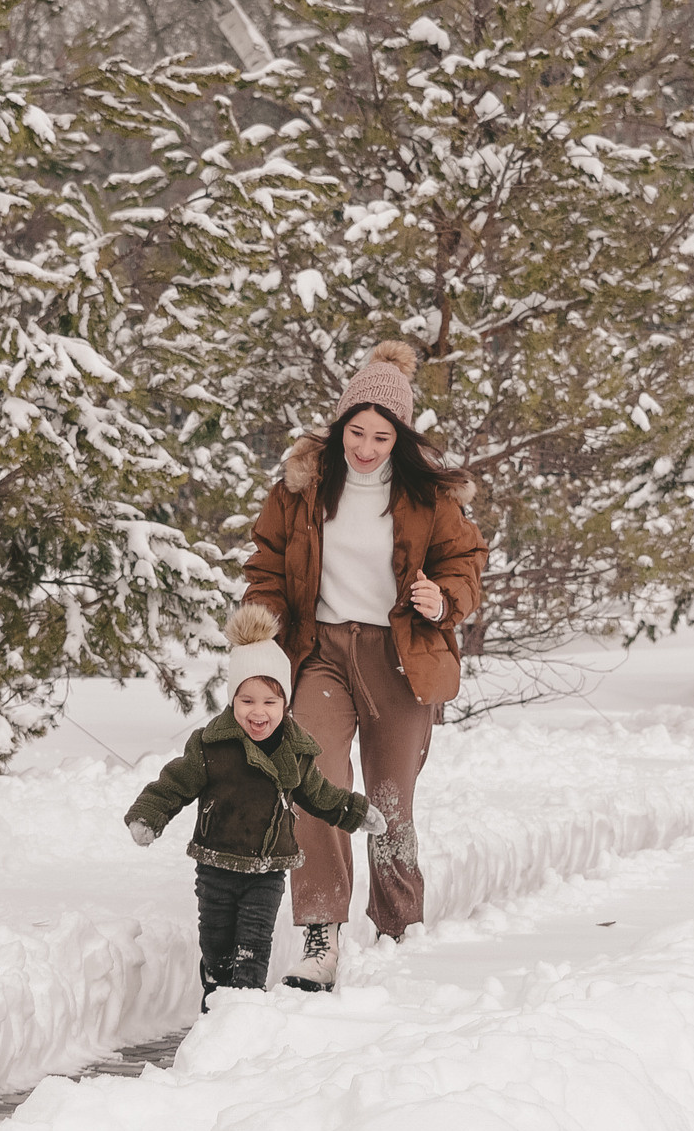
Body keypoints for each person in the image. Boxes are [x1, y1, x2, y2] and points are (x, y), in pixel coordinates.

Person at [242, 340, 488, 990]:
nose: (368, 447)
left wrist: (444, 597)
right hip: (321, 653)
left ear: (399, 437)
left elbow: (466, 564)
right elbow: (268, 562)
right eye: (357, 431)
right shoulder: (302, 488)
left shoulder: (426, 497)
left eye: (383, 435)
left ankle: (399, 923)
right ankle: (320, 932)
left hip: (400, 656)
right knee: (315, 782)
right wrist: (259, 634)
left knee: (389, 801)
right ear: (340, 426)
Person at [126, 605, 386, 1001]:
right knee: (216, 948)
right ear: (232, 701)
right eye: (246, 700)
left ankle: (245, 1006)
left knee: (251, 948)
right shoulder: (211, 745)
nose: (258, 712)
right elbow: (175, 782)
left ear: (285, 705)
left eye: (270, 701)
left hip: (266, 871)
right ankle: (215, 999)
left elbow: (320, 795)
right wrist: (149, 815)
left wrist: (356, 811)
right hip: (215, 867)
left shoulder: (294, 753)